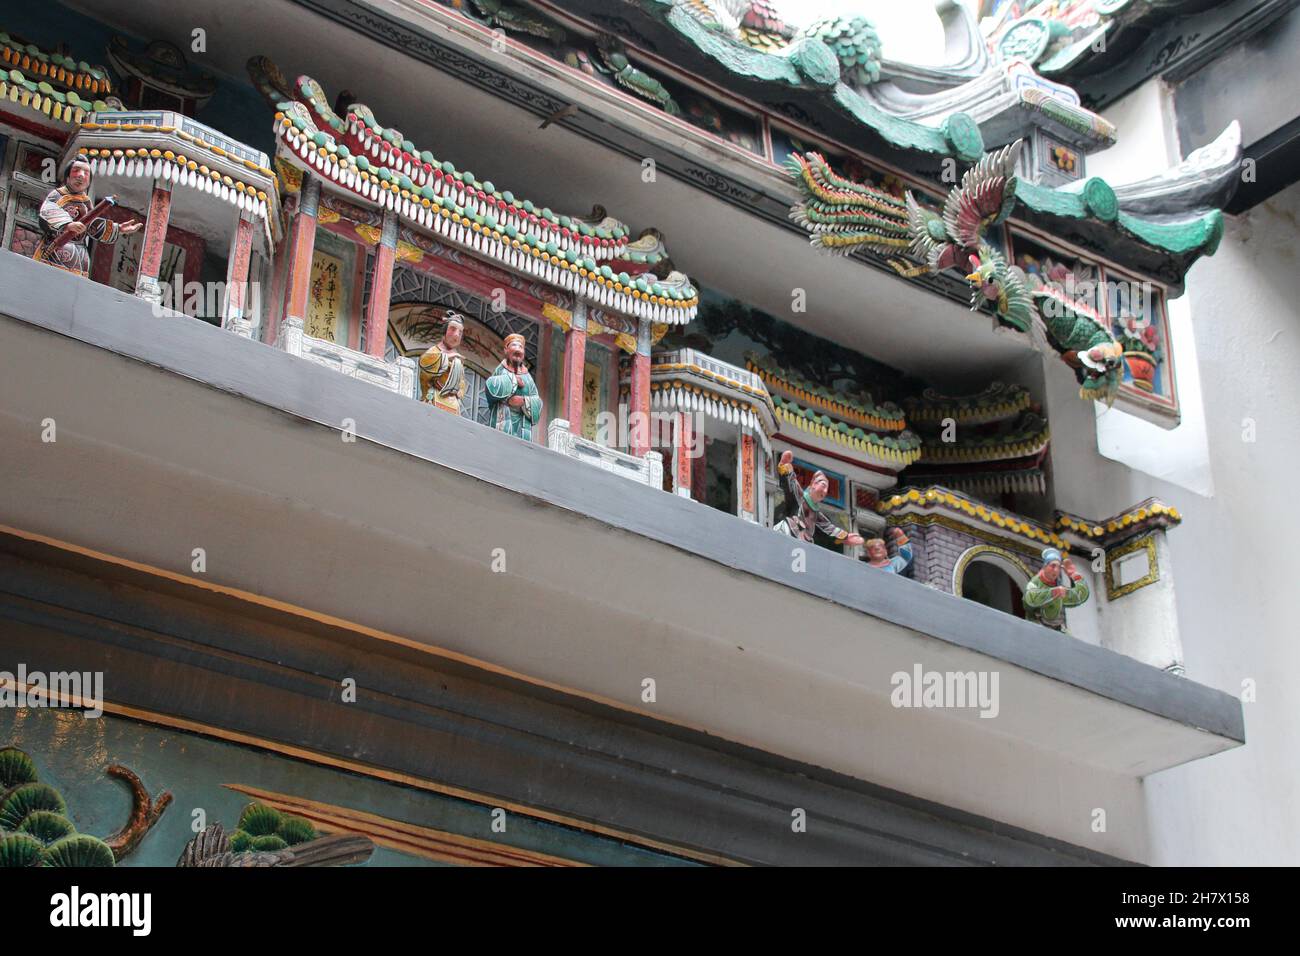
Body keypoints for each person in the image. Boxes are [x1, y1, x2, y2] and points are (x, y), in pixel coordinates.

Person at [33, 160, 141, 277]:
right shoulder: (58, 195)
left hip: (80, 255)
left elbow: (91, 224)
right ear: (67, 177)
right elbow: (48, 210)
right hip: (56, 248)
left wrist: (119, 229)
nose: (81, 175)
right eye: (76, 171)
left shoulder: (86, 202)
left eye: (86, 173)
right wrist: (68, 224)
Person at [773, 450, 864, 551]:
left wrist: (845, 537)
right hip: (792, 532)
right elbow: (792, 484)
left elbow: (828, 527)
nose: (825, 491)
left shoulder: (816, 513)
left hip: (805, 542)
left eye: (827, 490)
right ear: (813, 484)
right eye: (823, 486)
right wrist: (785, 468)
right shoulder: (801, 497)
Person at [485, 333, 542, 441]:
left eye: (521, 347)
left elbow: (537, 401)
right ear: (506, 350)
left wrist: (524, 401)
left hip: (522, 426)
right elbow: (490, 387)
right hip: (503, 419)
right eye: (514, 346)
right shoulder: (501, 370)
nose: (518, 350)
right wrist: (513, 380)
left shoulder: (528, 377)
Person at [1023, 547, 1089, 631]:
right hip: (1035, 625)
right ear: (1045, 566)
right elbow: (1031, 598)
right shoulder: (1035, 582)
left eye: (1058, 567)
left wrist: (1074, 575)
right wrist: (1053, 593)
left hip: (1056, 628)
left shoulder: (1059, 586)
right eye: (1052, 566)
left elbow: (1079, 596)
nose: (1056, 570)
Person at [418, 311, 467, 414]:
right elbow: (424, 362)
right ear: (445, 331)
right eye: (453, 329)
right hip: (434, 395)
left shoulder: (458, 358)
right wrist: (446, 358)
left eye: (460, 332)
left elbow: (461, 381)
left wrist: (459, 391)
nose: (456, 335)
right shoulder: (435, 351)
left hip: (452, 402)